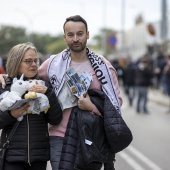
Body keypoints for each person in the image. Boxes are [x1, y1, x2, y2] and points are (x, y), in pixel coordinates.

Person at [0, 15, 123, 170]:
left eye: (80, 33)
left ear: (88, 34)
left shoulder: (104, 67)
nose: (76, 38)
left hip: (90, 136)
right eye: (70, 35)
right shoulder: (53, 64)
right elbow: (27, 74)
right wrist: (5, 77)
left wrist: (91, 106)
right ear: (65, 37)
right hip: (59, 136)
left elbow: (116, 103)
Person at [0, 42, 62, 170]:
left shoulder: (44, 85)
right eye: (28, 61)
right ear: (16, 62)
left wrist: (48, 93)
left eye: (36, 61)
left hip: (38, 158)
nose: (34, 65)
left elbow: (55, 119)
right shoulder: (5, 86)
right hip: (12, 157)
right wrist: (12, 115)